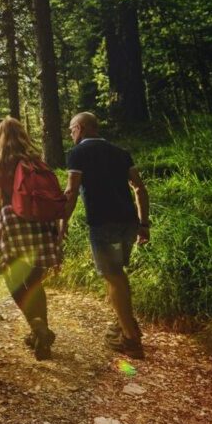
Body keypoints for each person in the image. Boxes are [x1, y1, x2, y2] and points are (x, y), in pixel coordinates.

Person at [64, 112, 150, 359]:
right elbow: (140, 188)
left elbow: (70, 192)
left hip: (103, 224)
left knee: (114, 277)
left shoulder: (78, 153)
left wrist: (62, 223)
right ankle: (123, 324)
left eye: (71, 130)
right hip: (129, 223)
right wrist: (144, 224)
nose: (71, 134)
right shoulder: (120, 152)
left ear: (80, 128)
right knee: (118, 275)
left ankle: (130, 339)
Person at [0, 117, 66, 361]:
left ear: (0, 137)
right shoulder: (36, 160)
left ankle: (38, 327)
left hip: (13, 221)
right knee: (36, 280)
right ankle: (39, 336)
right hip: (41, 220)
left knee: (14, 280)